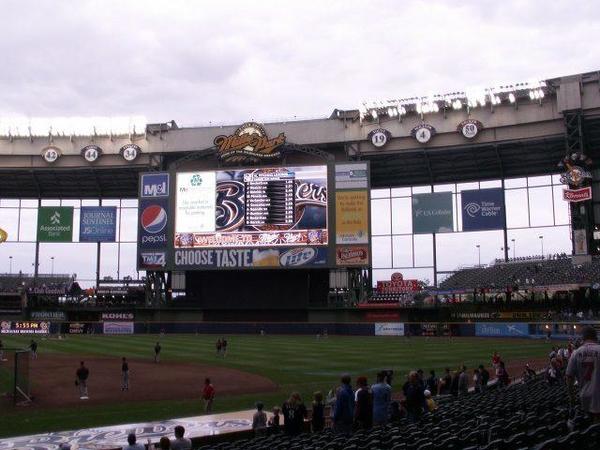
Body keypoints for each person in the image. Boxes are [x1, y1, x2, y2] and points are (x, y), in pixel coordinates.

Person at [566, 326, 600, 422]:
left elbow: (568, 377)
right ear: (595, 337)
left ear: (583, 337)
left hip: (585, 396)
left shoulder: (576, 353)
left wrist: (572, 397)